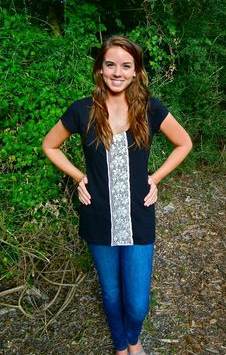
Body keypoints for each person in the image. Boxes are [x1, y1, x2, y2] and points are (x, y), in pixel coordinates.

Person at [42, 35, 192, 355]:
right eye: (111, 64)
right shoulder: (82, 110)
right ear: (100, 69)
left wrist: (156, 178)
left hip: (139, 214)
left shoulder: (150, 109)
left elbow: (184, 143)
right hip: (98, 216)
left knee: (137, 303)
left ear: (136, 71)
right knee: (111, 295)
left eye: (126, 65)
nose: (118, 72)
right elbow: (49, 146)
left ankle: (133, 336)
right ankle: (122, 345)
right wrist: (79, 176)